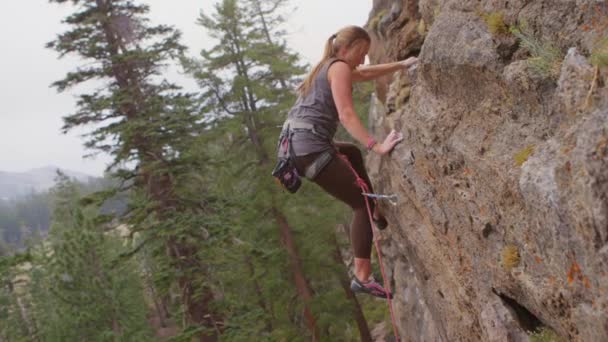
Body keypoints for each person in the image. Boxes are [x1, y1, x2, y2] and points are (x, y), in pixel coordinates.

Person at [277, 25, 418, 298]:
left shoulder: (327, 66)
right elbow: (346, 114)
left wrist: (402, 64)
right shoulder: (338, 66)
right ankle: (362, 276)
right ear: (346, 48)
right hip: (310, 147)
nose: (363, 59)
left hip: (296, 146)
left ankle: (375, 209)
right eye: (361, 52)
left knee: (351, 153)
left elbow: (363, 73)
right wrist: (376, 145)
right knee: (359, 203)